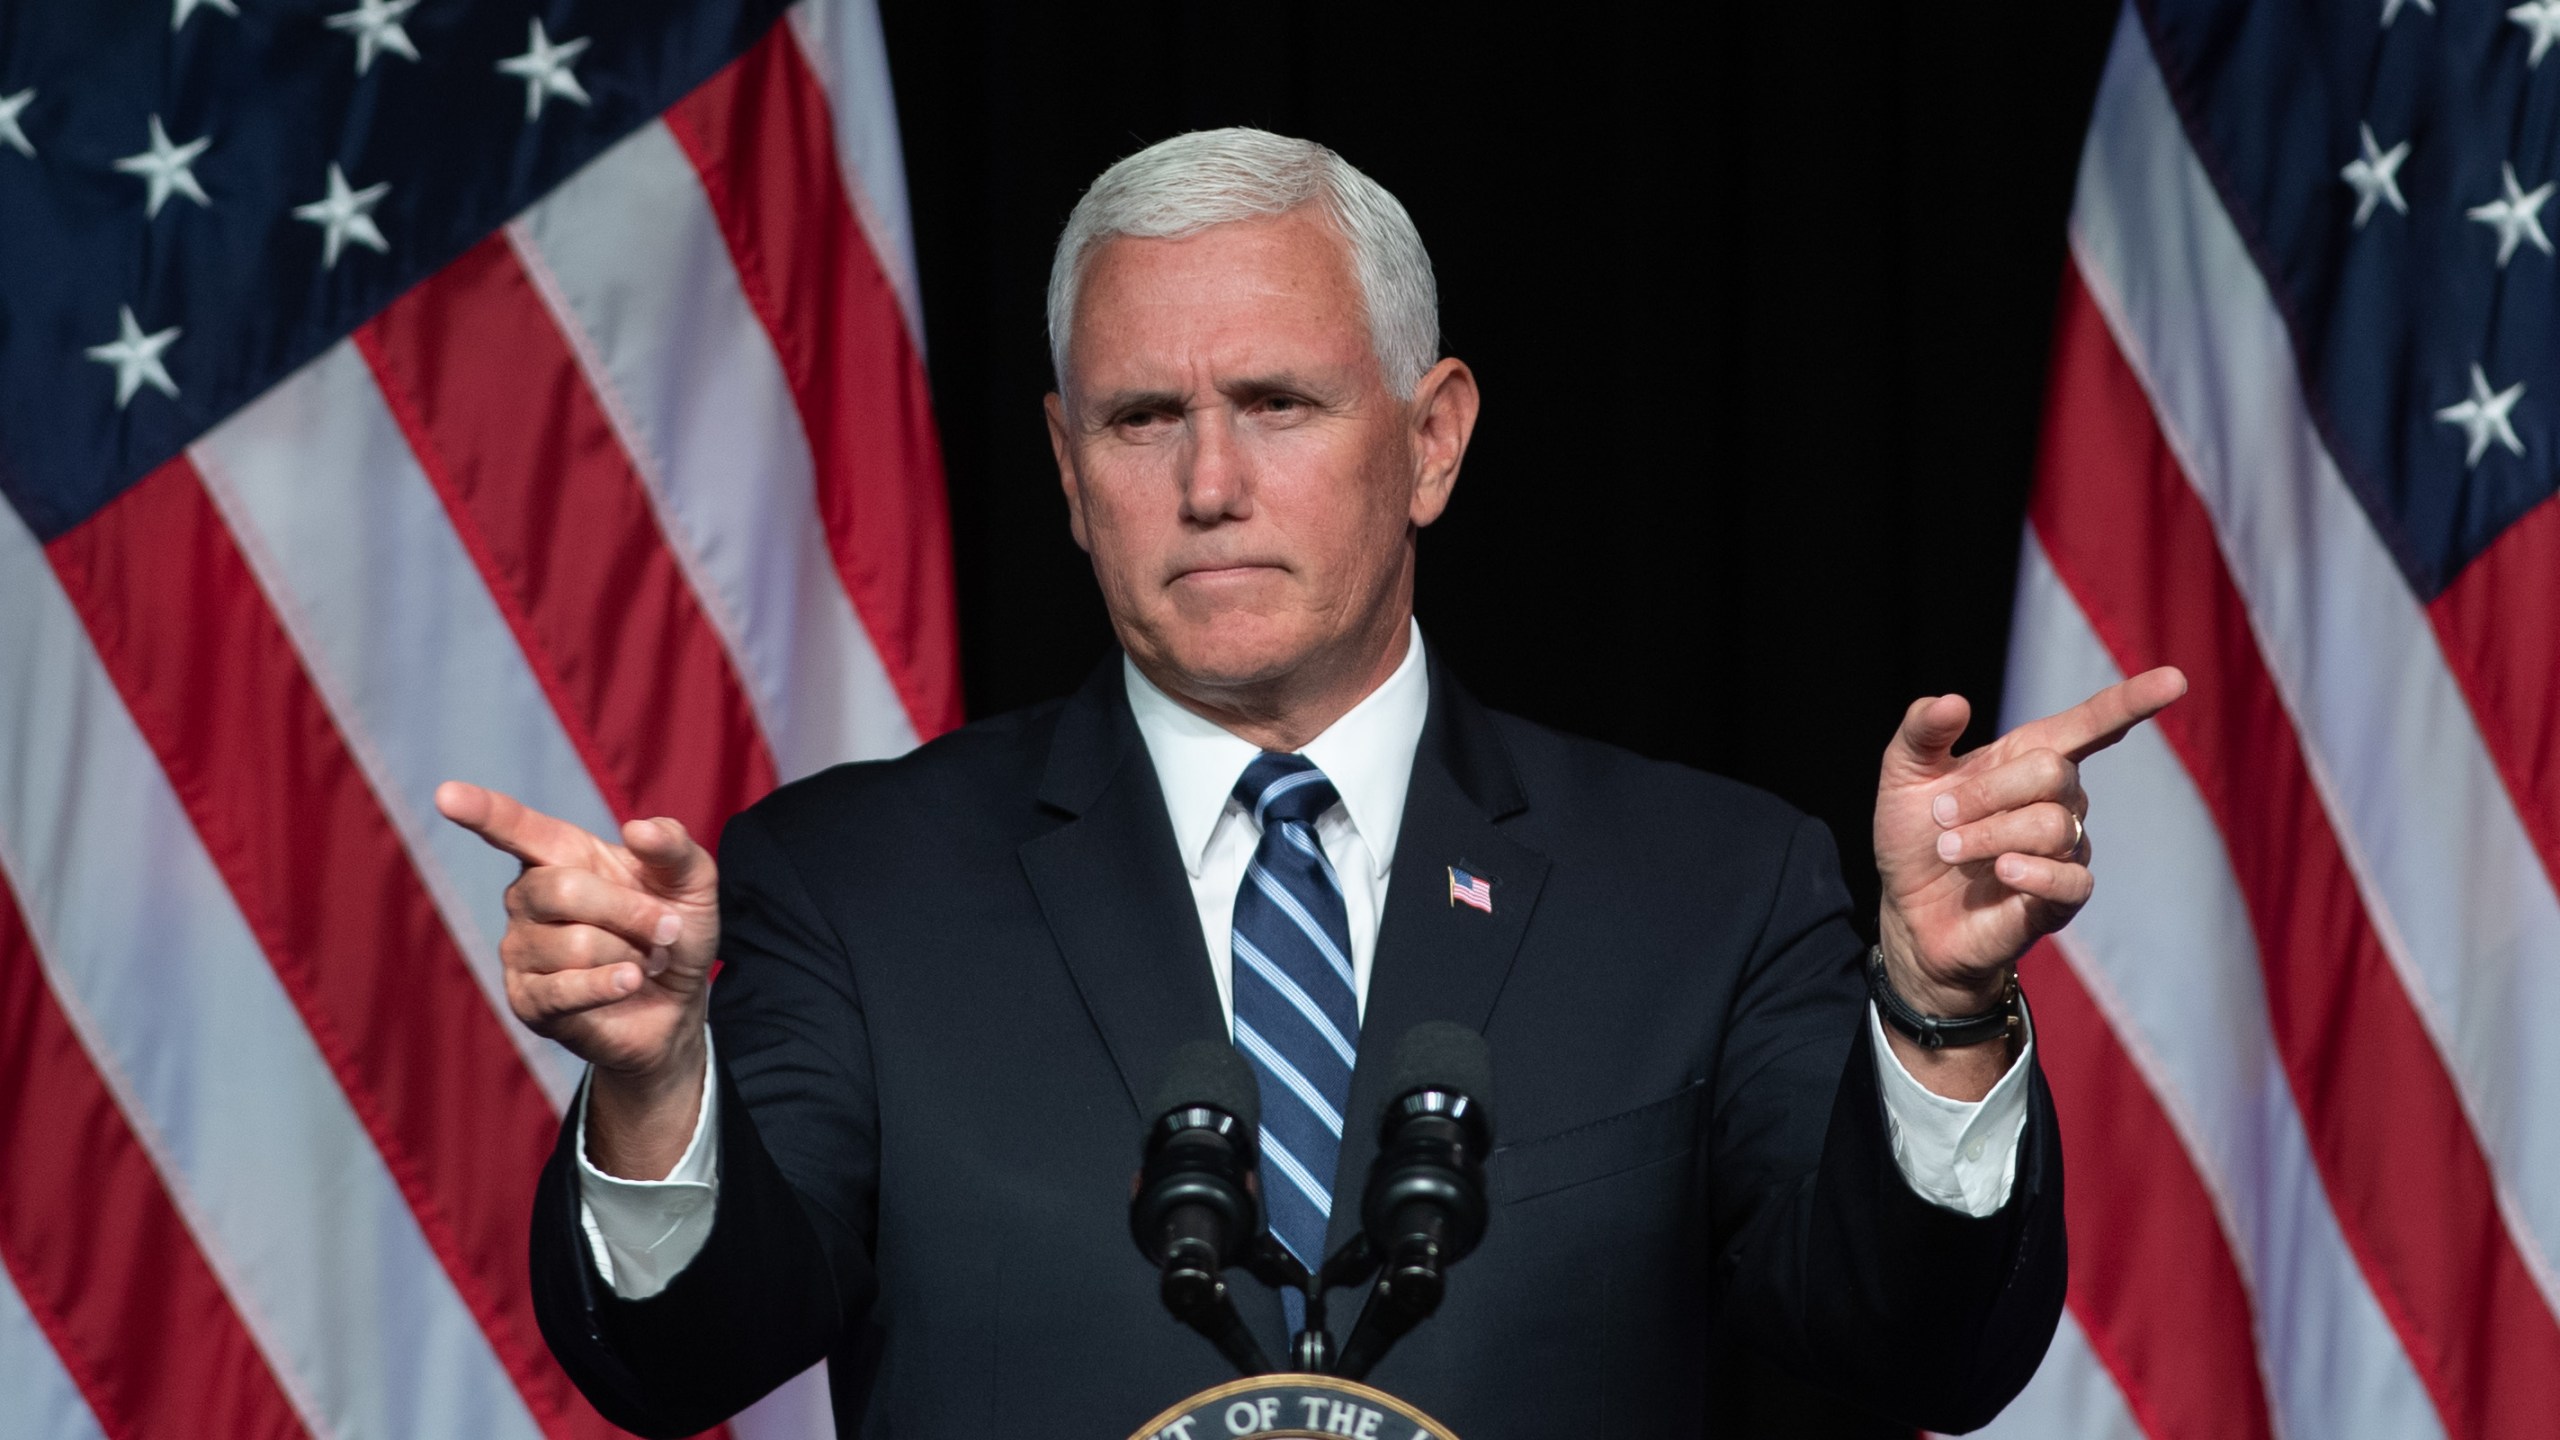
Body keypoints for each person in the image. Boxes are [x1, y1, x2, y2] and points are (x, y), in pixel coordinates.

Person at [437, 128, 2182, 1438]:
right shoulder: (855, 885)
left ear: (1432, 440)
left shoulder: (1707, 888)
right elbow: (679, 1361)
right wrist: (656, 1090)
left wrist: (1939, 1012)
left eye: (1277, 403)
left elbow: (1926, 1353)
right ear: (1068, 469)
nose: (1210, 483)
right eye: (1141, 419)